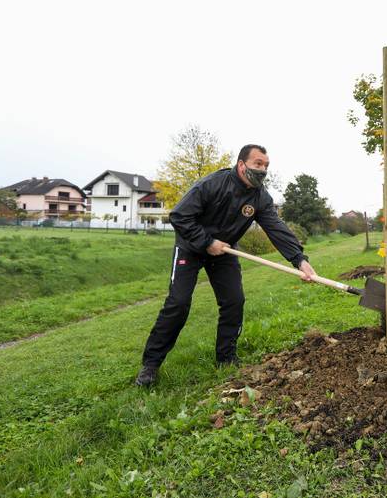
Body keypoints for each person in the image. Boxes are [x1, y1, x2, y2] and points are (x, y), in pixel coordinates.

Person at [135, 144, 317, 386]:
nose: (263, 170)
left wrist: (300, 260)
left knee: (234, 301)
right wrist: (207, 242)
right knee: (178, 303)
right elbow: (179, 216)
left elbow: (276, 228)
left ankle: (226, 358)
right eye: (258, 164)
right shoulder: (212, 184)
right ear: (241, 164)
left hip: (225, 251)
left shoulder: (260, 197)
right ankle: (150, 365)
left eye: (266, 165)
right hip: (190, 247)